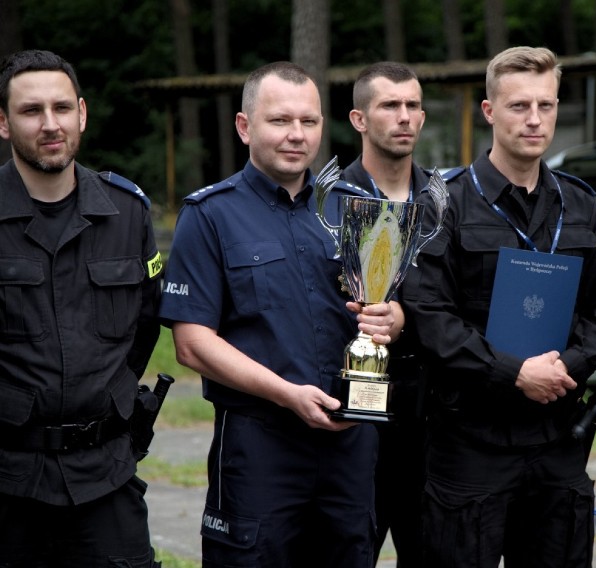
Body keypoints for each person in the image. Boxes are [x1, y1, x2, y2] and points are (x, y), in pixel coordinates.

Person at [158, 61, 403, 567]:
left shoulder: (357, 209)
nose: (297, 135)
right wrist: (286, 394)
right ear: (245, 126)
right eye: (280, 121)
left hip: (350, 442)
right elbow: (192, 342)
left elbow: (388, 304)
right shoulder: (210, 215)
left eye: (309, 122)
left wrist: (392, 319)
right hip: (259, 446)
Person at [401, 46, 596, 567]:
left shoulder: (581, 203)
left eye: (546, 106)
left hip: (558, 440)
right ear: (489, 111)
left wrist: (562, 368)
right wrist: (513, 372)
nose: (534, 120)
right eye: (518, 106)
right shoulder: (445, 202)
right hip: (470, 442)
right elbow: (429, 317)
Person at [0, 50, 163, 566]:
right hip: (8, 481)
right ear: (3, 123)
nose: (51, 124)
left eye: (62, 108)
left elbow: (145, 325)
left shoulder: (127, 212)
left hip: (105, 478)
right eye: (31, 111)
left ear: (82, 114)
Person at [342, 61, 429, 567]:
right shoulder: (326, 203)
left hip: (433, 424)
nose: (404, 117)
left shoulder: (448, 202)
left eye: (413, 106)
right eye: (389, 106)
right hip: (352, 426)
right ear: (359, 119)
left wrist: (408, 318)